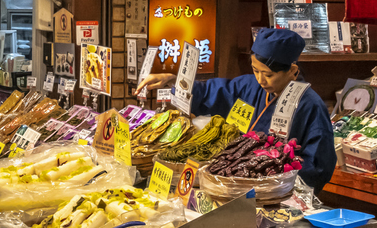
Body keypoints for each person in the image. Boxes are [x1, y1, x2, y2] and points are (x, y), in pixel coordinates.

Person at [137, 28, 337, 191]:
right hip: (235, 181)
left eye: (268, 75)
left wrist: (276, 182)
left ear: (292, 71)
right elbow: (210, 92)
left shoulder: (310, 105)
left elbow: (318, 165)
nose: (260, 80)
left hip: (275, 191)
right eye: (255, 70)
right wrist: (173, 80)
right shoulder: (249, 86)